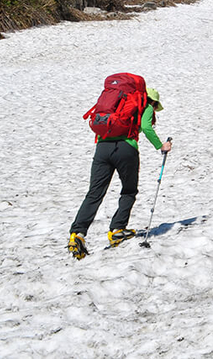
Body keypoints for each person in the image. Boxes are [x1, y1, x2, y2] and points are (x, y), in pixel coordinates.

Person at [69, 86, 171, 259]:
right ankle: (117, 230)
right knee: (129, 190)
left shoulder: (116, 104)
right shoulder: (144, 106)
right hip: (126, 149)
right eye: (155, 107)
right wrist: (161, 146)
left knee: (94, 193)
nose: (154, 110)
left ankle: (77, 234)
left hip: (102, 148)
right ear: (152, 102)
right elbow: (146, 127)